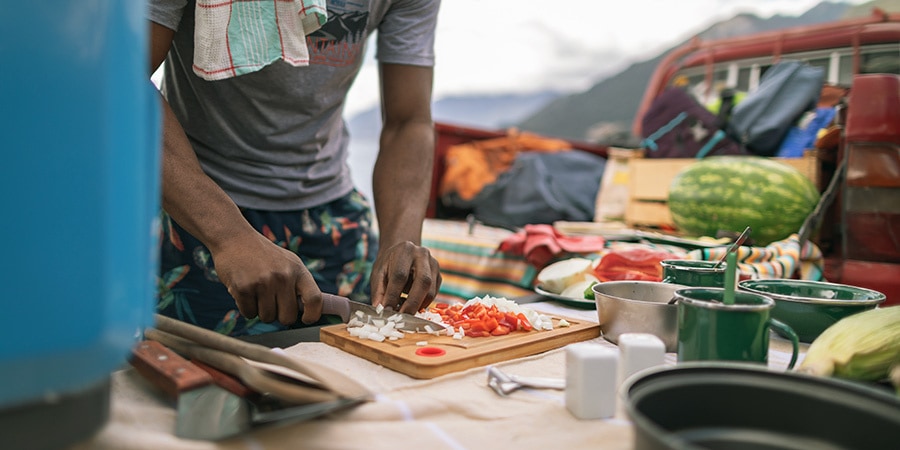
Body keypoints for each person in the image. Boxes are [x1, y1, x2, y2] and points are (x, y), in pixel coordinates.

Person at [148, 0, 442, 335]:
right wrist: (229, 236)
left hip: (333, 223)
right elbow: (119, 80)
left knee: (348, 375)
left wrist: (400, 241)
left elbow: (409, 121)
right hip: (198, 216)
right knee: (202, 380)